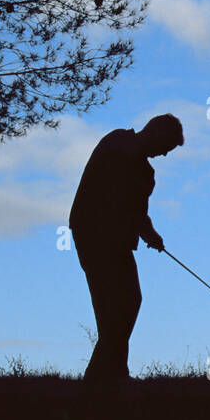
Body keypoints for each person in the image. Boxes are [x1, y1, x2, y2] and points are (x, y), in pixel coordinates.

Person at [70, 113, 184, 387]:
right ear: (155, 132)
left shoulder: (144, 170)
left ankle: (109, 375)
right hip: (94, 236)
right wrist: (144, 229)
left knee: (127, 301)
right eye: (166, 147)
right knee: (115, 306)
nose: (164, 155)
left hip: (115, 241)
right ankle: (104, 377)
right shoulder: (118, 142)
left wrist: (150, 233)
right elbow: (122, 198)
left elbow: (137, 211)